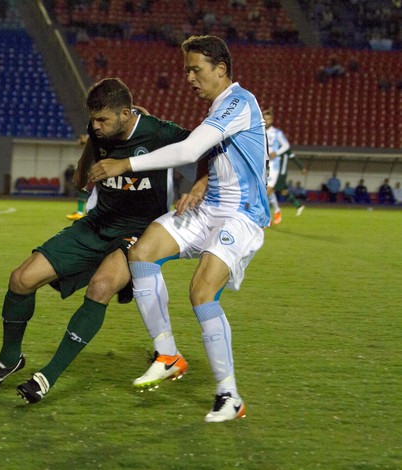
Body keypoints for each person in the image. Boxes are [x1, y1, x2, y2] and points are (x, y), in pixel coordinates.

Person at [0, 77, 197, 404]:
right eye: (93, 119)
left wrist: (199, 186)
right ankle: (10, 358)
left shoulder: (157, 131)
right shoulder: (99, 130)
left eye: (102, 119)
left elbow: (207, 147)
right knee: (21, 279)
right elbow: (87, 162)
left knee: (101, 287)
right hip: (97, 224)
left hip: (138, 232)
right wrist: (85, 167)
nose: (95, 125)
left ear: (126, 113)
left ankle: (47, 377)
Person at [89, 35, 270, 422]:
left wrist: (125, 165)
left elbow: (189, 151)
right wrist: (202, 184)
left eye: (196, 69)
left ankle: (229, 396)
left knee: (202, 292)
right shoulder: (219, 108)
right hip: (208, 208)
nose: (188, 77)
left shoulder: (240, 101)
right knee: (141, 252)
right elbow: (212, 155)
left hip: (241, 215)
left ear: (220, 70)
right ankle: (167, 353)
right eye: (186, 69)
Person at [262, 108, 305, 224]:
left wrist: (276, 153)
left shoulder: (277, 133)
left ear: (272, 120)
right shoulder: (259, 132)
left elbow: (286, 146)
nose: (266, 120)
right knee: (265, 191)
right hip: (261, 165)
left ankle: (265, 217)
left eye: (268, 118)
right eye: (264, 118)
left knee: (266, 192)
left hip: (274, 166)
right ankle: (276, 211)